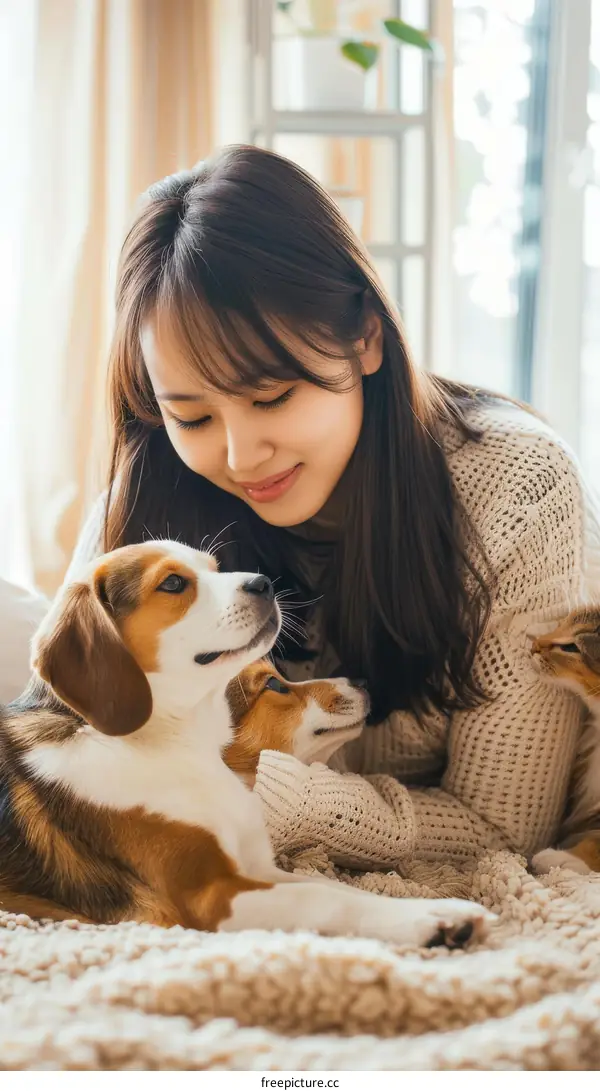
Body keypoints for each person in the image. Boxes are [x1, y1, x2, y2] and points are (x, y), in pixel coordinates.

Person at [68, 145, 600, 869]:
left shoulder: (516, 488)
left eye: (272, 396)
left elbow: (502, 827)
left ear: (365, 339)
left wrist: (275, 796)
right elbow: (65, 758)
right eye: (191, 417)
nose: (239, 454)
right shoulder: (151, 493)